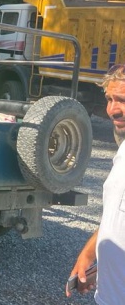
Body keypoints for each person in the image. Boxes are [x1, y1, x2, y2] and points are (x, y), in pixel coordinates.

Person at [67, 64, 125, 303]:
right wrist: (91, 255)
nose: (112, 110)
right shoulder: (123, 150)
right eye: (109, 99)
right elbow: (116, 217)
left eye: (121, 100)